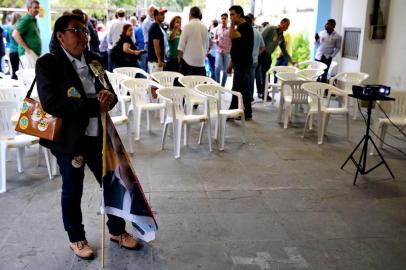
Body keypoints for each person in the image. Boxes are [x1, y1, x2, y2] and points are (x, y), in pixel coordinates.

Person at [35, 14, 141, 260]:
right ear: (60, 36)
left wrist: (107, 99)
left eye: (85, 30)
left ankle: (117, 230)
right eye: (76, 30)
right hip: (70, 141)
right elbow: (52, 103)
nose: (83, 35)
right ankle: (76, 237)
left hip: (99, 137)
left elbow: (110, 94)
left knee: (111, 184)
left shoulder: (94, 60)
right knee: (73, 189)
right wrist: (95, 105)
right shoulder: (48, 64)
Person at [259, 18, 295, 100]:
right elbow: (260, 37)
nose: (287, 27)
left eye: (288, 26)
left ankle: (265, 94)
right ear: (282, 23)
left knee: (266, 75)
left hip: (267, 55)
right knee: (253, 73)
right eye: (287, 25)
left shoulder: (281, 36)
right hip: (259, 53)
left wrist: (291, 60)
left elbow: (284, 50)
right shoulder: (271, 28)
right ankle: (250, 95)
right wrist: (258, 50)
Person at [227, 5, 253, 120]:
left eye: (232, 15)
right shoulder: (241, 28)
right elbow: (236, 48)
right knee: (243, 88)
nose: (230, 17)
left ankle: (232, 112)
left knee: (237, 88)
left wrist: (232, 24)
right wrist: (231, 63)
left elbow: (231, 35)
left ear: (239, 14)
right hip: (239, 63)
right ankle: (247, 113)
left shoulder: (245, 27)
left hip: (243, 63)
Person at [178, 6, 209, 76]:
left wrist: (179, 59)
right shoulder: (205, 27)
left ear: (190, 14)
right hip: (201, 64)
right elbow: (207, 46)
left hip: (187, 63)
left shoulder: (187, 26)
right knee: (198, 85)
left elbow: (181, 47)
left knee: (184, 85)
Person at [12, 0, 41, 69]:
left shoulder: (33, 19)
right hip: (28, 54)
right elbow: (15, 34)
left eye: (38, 7)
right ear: (29, 8)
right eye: (35, 7)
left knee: (35, 76)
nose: (37, 9)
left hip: (33, 53)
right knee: (31, 77)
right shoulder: (26, 19)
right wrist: (27, 49)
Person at [246, 14, 265, 101]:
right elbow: (263, 47)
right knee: (251, 80)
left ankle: (247, 99)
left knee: (246, 80)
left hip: (246, 61)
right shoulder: (257, 32)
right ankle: (250, 99)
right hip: (255, 60)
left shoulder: (246, 32)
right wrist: (256, 54)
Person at [214, 13, 231, 87]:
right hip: (219, 51)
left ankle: (222, 86)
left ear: (227, 19)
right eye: (222, 18)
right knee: (217, 67)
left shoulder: (231, 29)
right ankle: (217, 84)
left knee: (226, 70)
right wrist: (217, 40)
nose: (223, 20)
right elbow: (213, 39)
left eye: (224, 18)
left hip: (227, 52)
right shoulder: (217, 29)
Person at [147, 8, 167, 73]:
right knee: (154, 81)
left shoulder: (158, 26)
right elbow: (156, 45)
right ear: (156, 16)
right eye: (161, 14)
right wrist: (159, 59)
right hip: (155, 61)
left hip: (156, 61)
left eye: (164, 14)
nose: (163, 16)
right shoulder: (155, 27)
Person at [7, 13, 21, 79]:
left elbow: (7, 39)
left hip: (12, 51)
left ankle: (14, 83)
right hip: (19, 50)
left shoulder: (10, 27)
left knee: (14, 69)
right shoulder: (20, 28)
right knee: (20, 70)